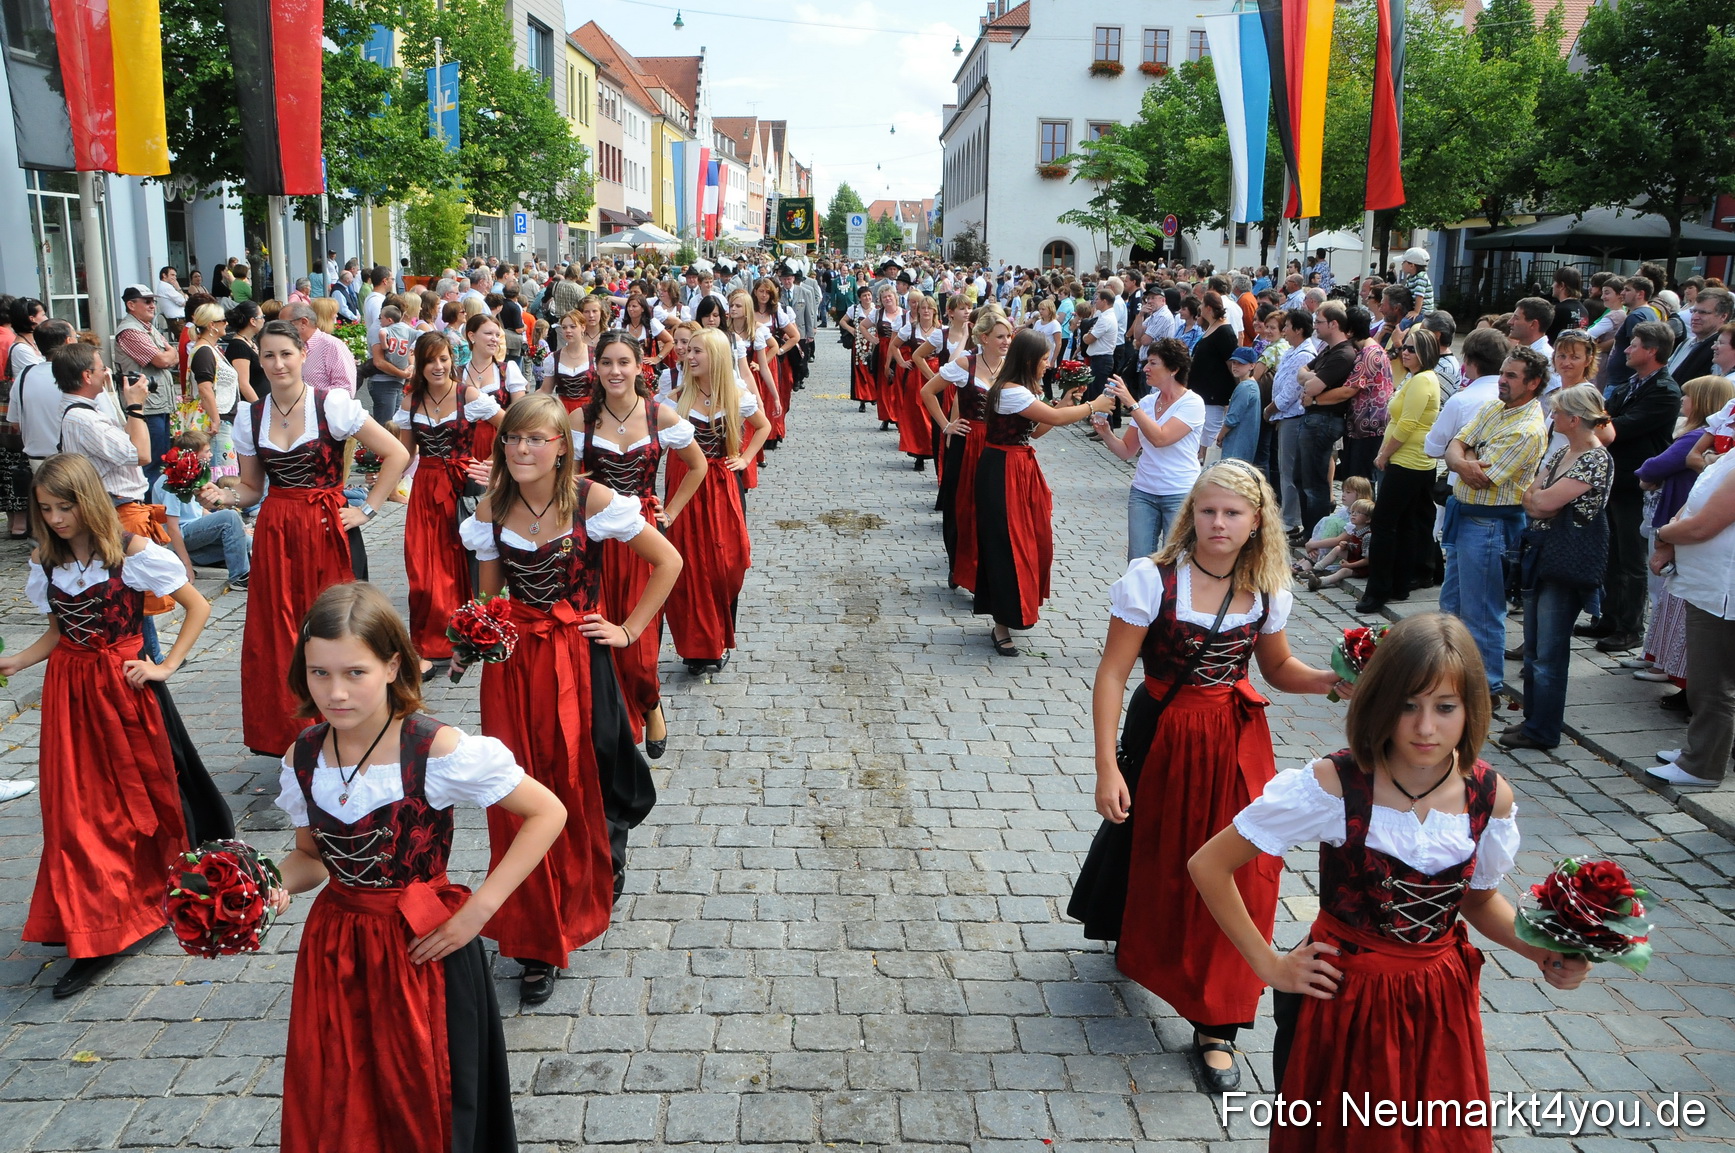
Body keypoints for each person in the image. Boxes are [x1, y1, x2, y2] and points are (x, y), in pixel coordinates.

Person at [1190, 613, 1587, 1142]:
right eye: (1407, 705)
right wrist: (1270, 965)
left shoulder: (1489, 797)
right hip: (1343, 1000)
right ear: (1380, 702)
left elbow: (1478, 900)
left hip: (1436, 1002)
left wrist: (1540, 951)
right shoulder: (1336, 784)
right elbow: (1209, 865)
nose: (1426, 727)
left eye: (1445, 707)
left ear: (1472, 708)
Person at [1069, 461, 1342, 1093]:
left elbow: (1276, 669)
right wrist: (1107, 766)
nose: (1218, 524)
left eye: (1233, 513)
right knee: (1167, 857)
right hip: (1166, 736)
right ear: (1191, 514)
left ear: (1256, 524)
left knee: (1247, 869)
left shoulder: (1269, 588)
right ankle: (1146, 944)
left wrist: (1337, 680)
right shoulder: (1153, 582)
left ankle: (1218, 1019)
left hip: (1239, 741)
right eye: (1207, 511)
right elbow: (1113, 673)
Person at [272, 581, 566, 1153]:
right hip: (337, 947)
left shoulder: (434, 748)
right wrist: (268, 883)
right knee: (341, 1092)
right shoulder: (302, 755)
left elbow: (546, 812)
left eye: (354, 672)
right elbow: (310, 858)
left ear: (392, 665)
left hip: (421, 945)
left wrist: (479, 910)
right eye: (319, 673)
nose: (335, 692)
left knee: (424, 1093)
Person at [461, 395, 679, 1002]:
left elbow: (669, 561)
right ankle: (535, 937)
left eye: (536, 439)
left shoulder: (595, 501)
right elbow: (490, 601)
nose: (522, 450)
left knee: (577, 777)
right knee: (514, 789)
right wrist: (469, 638)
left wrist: (628, 630)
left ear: (562, 445)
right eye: (512, 439)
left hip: (579, 661)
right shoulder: (492, 507)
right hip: (510, 669)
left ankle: (589, 874)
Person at [9, 453, 225, 998]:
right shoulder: (47, 559)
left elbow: (196, 606)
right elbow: (60, 632)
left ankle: (124, 911)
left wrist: (164, 666)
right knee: (72, 813)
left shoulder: (130, 552)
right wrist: (15, 661)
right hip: (67, 695)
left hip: (121, 696)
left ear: (87, 501)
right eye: (45, 509)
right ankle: (92, 923)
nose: (55, 519)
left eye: (63, 507)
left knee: (129, 807)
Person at [231, 320, 409, 755]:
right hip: (276, 532)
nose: (277, 363)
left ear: (303, 355)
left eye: (286, 354)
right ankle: (295, 734)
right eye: (268, 355)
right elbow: (252, 487)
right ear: (260, 359)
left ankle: (357, 725)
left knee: (339, 627)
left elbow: (397, 453)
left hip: (327, 528)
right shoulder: (250, 415)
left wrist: (367, 509)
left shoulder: (332, 405)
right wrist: (221, 494)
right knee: (279, 633)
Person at [576, 332, 705, 756]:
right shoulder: (579, 420)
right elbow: (562, 477)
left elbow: (697, 465)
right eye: (607, 362)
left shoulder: (660, 416)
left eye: (623, 362)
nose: (615, 371)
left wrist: (670, 510)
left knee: (640, 640)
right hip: (593, 540)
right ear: (596, 368)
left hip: (642, 539)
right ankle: (613, 722)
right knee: (597, 633)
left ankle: (649, 704)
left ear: (638, 367)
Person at [974, 329, 1116, 655]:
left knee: (1031, 540)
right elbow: (1050, 417)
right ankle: (1002, 622)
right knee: (1009, 544)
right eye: (1043, 359)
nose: (1047, 365)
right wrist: (1092, 404)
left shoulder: (1019, 390)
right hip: (1004, 471)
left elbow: (1038, 430)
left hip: (1016, 469)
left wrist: (1066, 402)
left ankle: (1014, 610)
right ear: (1027, 360)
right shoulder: (1011, 391)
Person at [1502, 385, 1615, 751]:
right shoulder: (1564, 451)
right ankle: (1533, 719)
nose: (1552, 417)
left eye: (1557, 412)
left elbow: (1543, 500)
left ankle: (1543, 729)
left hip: (1564, 560)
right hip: (1541, 552)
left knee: (1549, 650)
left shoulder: (1595, 459)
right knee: (1534, 647)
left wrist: (1540, 501)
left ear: (1574, 418)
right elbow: (1531, 498)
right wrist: (1539, 501)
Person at [1442, 346, 1550, 695]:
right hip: (1465, 518)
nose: (1501, 381)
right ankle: (1454, 674)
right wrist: (1465, 456)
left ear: (1533, 384)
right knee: (1452, 604)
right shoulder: (1494, 407)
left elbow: (1483, 477)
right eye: (1503, 373)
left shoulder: (1528, 429)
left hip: (1490, 527)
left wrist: (1464, 456)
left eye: (1511, 376)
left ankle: (1487, 685)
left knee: (1483, 612)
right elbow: (1453, 444)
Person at [394, 332, 503, 669]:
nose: (438, 366)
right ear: (420, 365)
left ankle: (466, 634)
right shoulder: (411, 401)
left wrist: (496, 463)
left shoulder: (468, 395)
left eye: (443, 359)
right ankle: (430, 639)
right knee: (422, 565)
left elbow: (509, 425)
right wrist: (382, 489)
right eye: (430, 360)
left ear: (451, 360)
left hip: (462, 486)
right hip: (426, 488)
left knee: (463, 560)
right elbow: (404, 451)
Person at [664, 329, 769, 674]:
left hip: (722, 486)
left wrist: (745, 457)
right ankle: (697, 648)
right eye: (688, 350)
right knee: (689, 567)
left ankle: (721, 634)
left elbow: (763, 426)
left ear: (717, 357)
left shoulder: (736, 395)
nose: (688, 356)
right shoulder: (676, 398)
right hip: (684, 485)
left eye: (697, 351)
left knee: (727, 563)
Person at [1584, 321, 1681, 653]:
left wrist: (1592, 418)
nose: (1625, 348)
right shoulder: (1632, 383)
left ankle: (1630, 627)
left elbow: (1622, 425)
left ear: (1651, 351)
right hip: (1616, 479)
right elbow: (1609, 415)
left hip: (1636, 483)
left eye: (1634, 344)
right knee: (1610, 555)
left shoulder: (1665, 391)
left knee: (1631, 560)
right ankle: (1609, 618)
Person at [1633, 376, 1734, 693]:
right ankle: (1670, 667)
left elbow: (1661, 468)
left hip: (1717, 561)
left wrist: (1666, 533)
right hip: (1696, 535)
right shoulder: (1728, 413)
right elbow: (1695, 458)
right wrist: (1713, 464)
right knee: (1671, 604)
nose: (1681, 400)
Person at [1646, 441, 1735, 786]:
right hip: (1708, 585)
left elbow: (1703, 526)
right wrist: (1671, 533)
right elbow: (1695, 504)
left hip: (1722, 588)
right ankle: (1700, 751)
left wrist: (1665, 534)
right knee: (1707, 679)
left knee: (1712, 684)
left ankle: (1702, 765)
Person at [923, 308, 1013, 592]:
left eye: (1009, 336)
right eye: (1000, 336)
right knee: (962, 505)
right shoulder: (965, 364)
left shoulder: (1011, 367)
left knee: (992, 508)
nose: (1006, 341)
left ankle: (985, 568)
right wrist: (947, 425)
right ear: (983, 338)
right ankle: (958, 565)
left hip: (998, 443)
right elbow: (928, 391)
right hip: (968, 440)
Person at [1092, 338, 1204, 559]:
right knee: (1138, 561)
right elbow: (1126, 451)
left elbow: (1160, 438)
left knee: (1175, 561)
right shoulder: (1147, 403)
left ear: (1173, 369)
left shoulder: (1192, 403)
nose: (1145, 368)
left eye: (1153, 363)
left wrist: (1131, 404)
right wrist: (1106, 432)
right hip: (1143, 491)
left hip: (1178, 492)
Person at [1359, 326, 1444, 612]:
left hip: (1409, 460)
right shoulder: (1415, 378)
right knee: (1405, 523)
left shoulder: (1422, 381)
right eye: (1404, 347)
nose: (1404, 352)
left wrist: (1384, 454)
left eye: (1411, 349)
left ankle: (1378, 590)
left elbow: (1407, 424)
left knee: (1383, 523)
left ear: (1425, 353)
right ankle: (1399, 582)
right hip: (1412, 459)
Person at [152, 429, 251, 588]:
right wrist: (187, 567)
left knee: (246, 541)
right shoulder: (171, 481)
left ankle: (191, 557)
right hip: (179, 534)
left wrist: (239, 528)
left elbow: (199, 511)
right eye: (207, 451)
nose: (211, 455)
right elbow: (172, 528)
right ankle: (239, 577)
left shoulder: (192, 474)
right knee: (229, 516)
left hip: (192, 533)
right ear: (193, 455)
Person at [1294, 301, 1358, 531]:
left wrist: (1311, 381)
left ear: (1333, 324)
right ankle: (1309, 531)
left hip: (1324, 421)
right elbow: (1301, 373)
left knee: (1314, 484)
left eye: (1319, 322)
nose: (1315, 326)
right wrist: (1310, 378)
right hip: (1312, 419)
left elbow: (1312, 387)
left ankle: (1316, 536)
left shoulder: (1343, 354)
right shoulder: (1327, 350)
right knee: (1300, 479)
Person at [112, 285, 179, 476]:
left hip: (157, 404)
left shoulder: (147, 328)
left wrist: (169, 356)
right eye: (147, 301)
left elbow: (172, 357)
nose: (152, 306)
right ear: (131, 305)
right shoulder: (130, 331)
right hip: (145, 407)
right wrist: (169, 355)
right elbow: (163, 359)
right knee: (151, 463)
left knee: (162, 461)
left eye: (154, 301)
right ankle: (149, 504)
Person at [1267, 309, 1317, 537]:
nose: (1284, 330)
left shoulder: (1304, 354)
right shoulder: (1293, 350)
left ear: (1298, 329)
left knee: (1289, 470)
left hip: (1292, 415)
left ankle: (1290, 519)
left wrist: (1271, 408)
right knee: (1286, 467)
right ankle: (1288, 514)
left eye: (1287, 326)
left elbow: (1291, 391)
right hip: (1285, 416)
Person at [186, 303, 242, 477]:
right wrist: (216, 419)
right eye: (223, 320)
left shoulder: (211, 349)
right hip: (217, 421)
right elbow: (205, 388)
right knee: (223, 474)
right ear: (212, 325)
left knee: (226, 469)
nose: (226, 324)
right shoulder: (204, 351)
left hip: (223, 418)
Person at [1188, 293, 1238, 451]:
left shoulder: (1224, 331)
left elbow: (1232, 364)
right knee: (1203, 431)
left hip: (1214, 393)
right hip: (1202, 390)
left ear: (1208, 308)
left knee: (1210, 431)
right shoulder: (1212, 327)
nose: (1200, 308)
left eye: (1202, 305)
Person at [281, 302, 358, 396]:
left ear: (303, 322)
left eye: (285, 324)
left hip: (324, 409)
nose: (282, 329)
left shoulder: (332, 346)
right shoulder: (292, 347)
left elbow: (346, 389)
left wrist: (308, 397)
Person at [1299, 499, 1373, 591]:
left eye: (1358, 512)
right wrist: (1346, 546)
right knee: (1338, 549)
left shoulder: (1367, 536)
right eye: (1352, 512)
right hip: (1354, 558)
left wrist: (1350, 565)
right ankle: (1316, 569)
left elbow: (1367, 560)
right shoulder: (1355, 530)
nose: (1353, 514)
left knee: (1343, 571)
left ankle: (1320, 582)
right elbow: (1355, 546)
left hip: (1361, 566)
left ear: (1368, 519)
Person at [366, 304, 416, 426]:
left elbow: (410, 347)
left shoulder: (400, 329)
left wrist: (411, 365)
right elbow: (379, 362)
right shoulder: (380, 328)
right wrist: (403, 374)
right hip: (383, 383)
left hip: (396, 383)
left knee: (395, 424)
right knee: (385, 425)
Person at [1216, 347, 1263, 463]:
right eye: (1234, 363)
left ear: (1252, 366)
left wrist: (1220, 435)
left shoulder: (1245, 387)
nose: (1235, 366)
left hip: (1237, 445)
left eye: (1241, 363)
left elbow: (1232, 418)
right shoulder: (1252, 385)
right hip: (1244, 444)